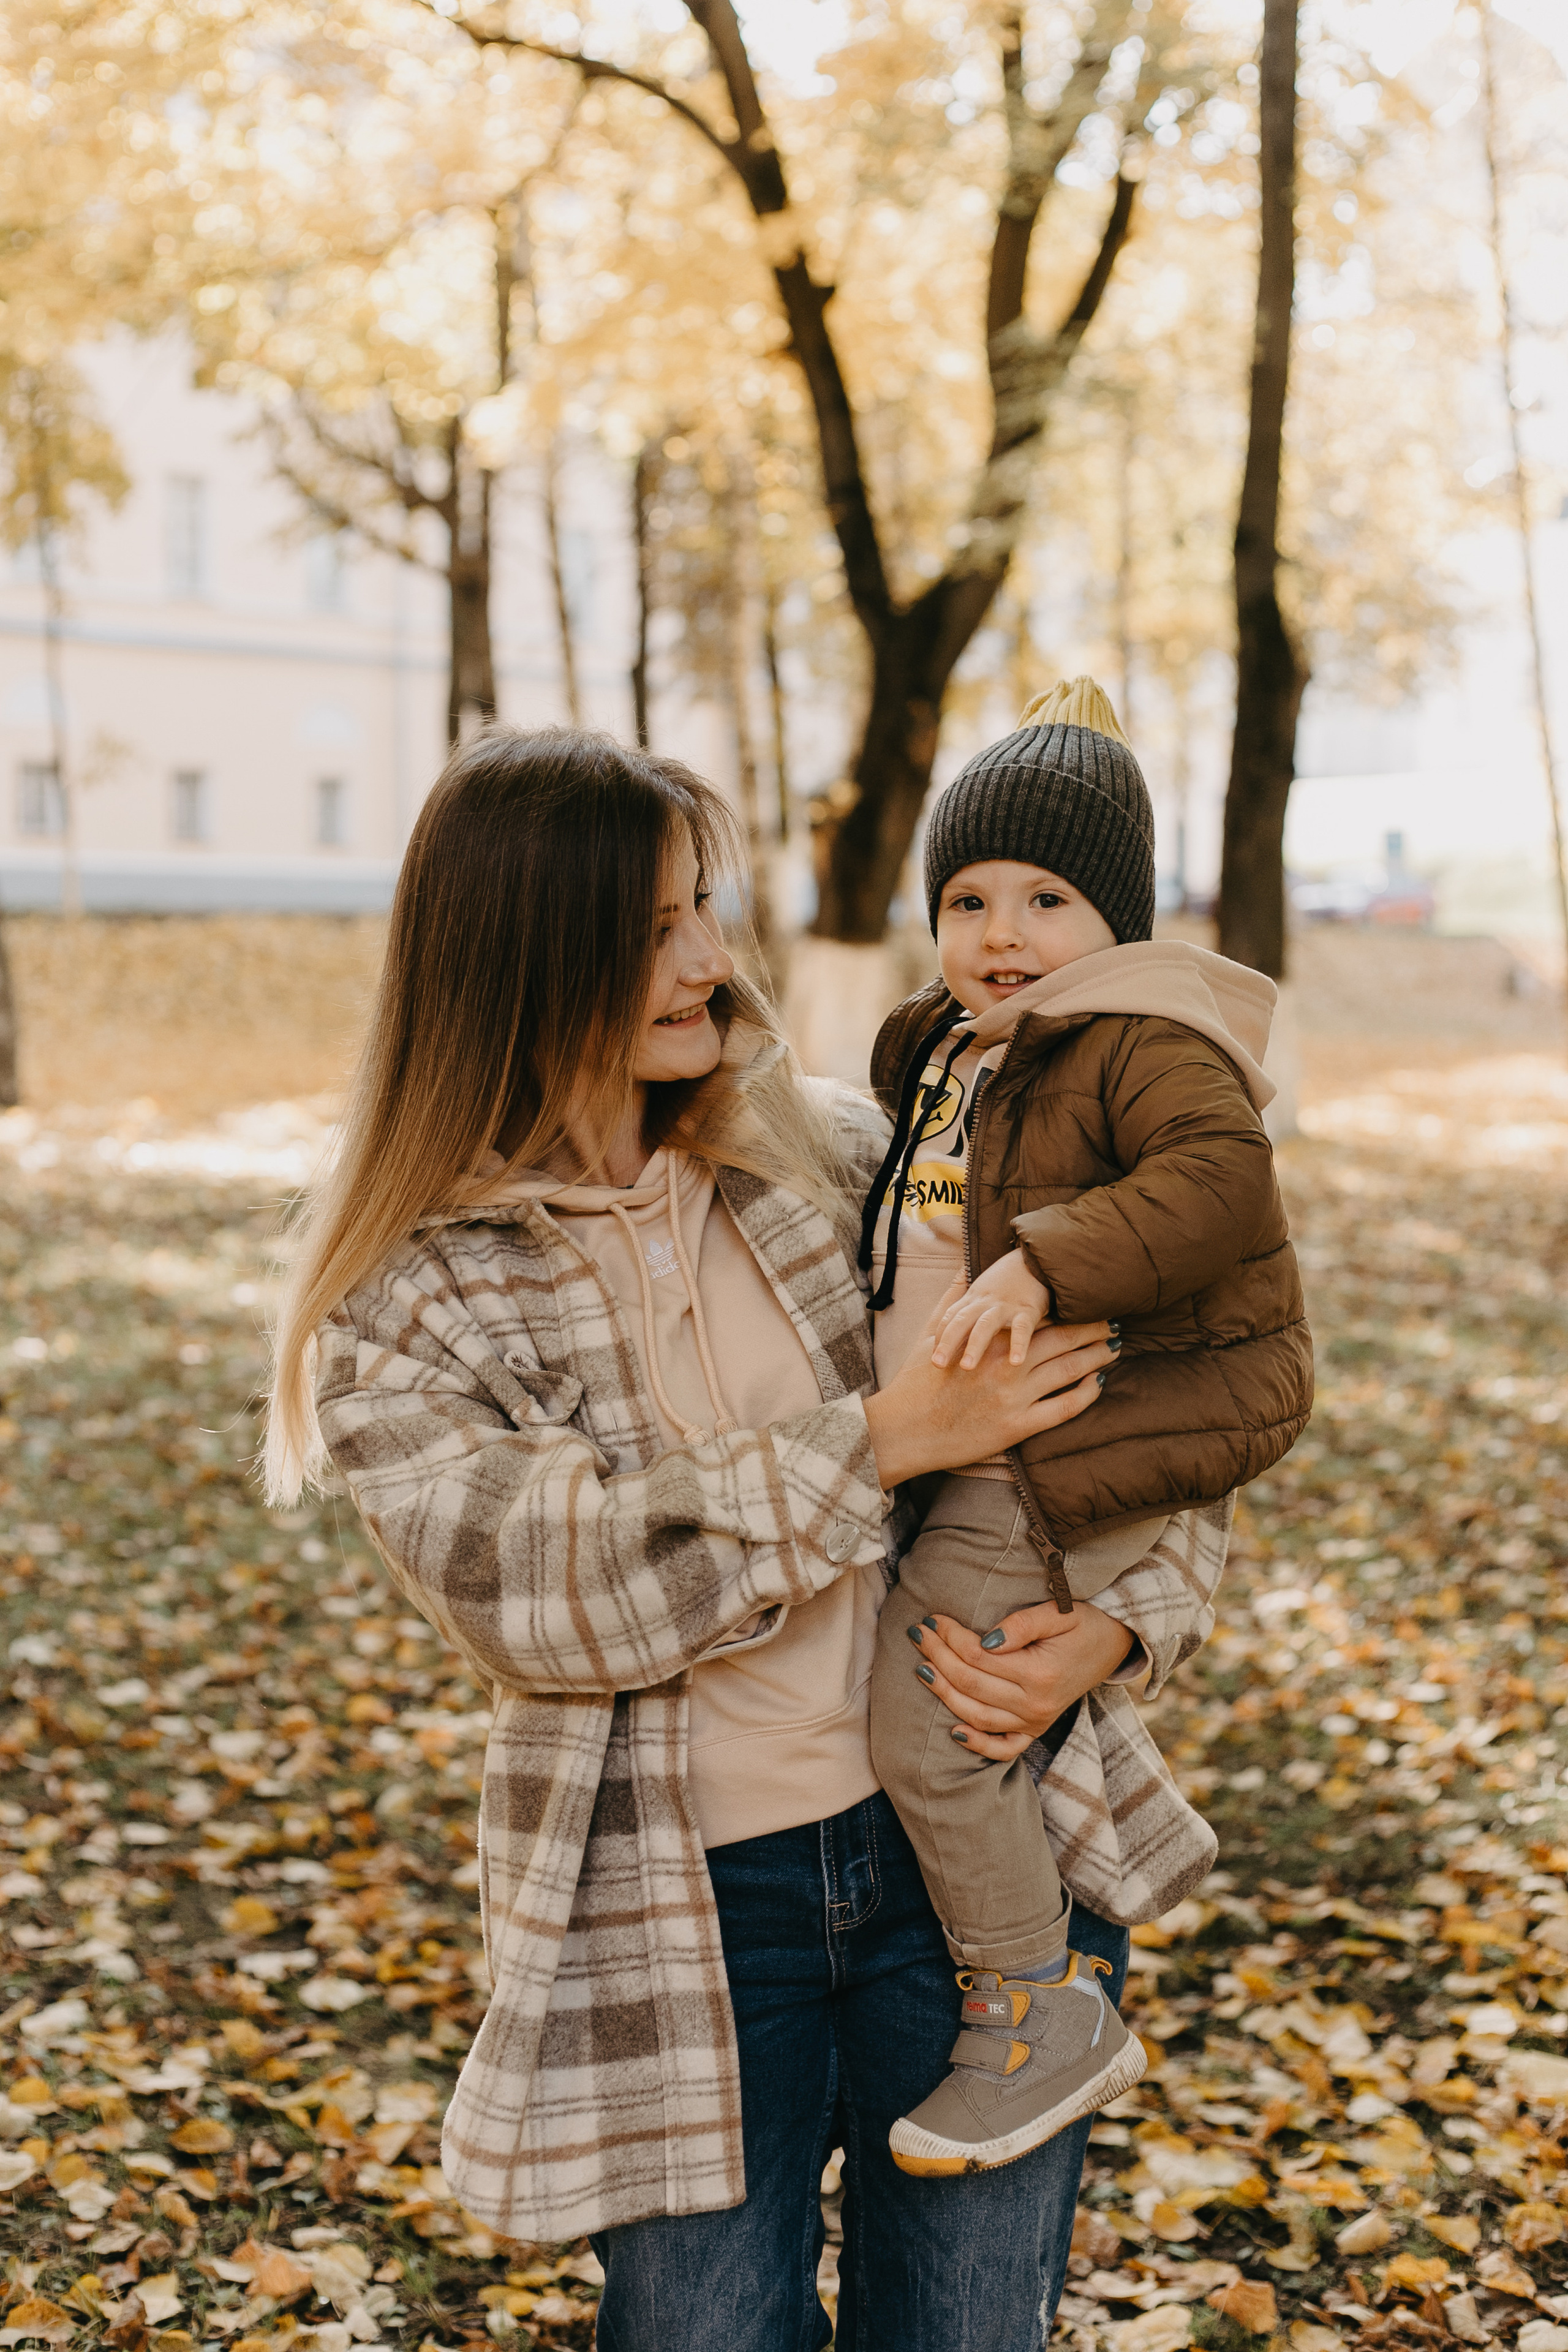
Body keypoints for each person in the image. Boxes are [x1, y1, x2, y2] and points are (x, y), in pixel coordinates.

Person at [265, 724, 1222, 2352]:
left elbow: (1162, 1382)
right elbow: (553, 1593)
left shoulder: (842, 1158)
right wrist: (885, 1439)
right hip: (676, 1912)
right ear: (518, 955)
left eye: (703, 907)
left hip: (974, 1863)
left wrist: (1128, 1628)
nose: (709, 961)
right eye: (651, 930)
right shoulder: (409, 1298)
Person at [861, 676, 1313, 2179]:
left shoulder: (1140, 1040)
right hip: (960, 1448)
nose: (999, 932)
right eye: (966, 899)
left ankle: (1033, 2006)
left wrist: (1044, 1263)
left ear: (1118, 921)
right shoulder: (949, 1053)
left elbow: (1218, 1184)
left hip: (1051, 1446)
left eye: (1045, 899)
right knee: (942, 1696)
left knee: (927, 1721)